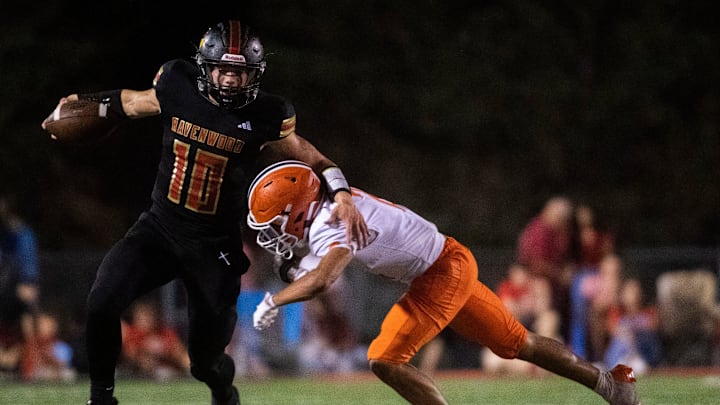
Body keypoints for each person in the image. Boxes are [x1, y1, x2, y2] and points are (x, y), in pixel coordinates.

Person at [42, 20, 368, 405]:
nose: (230, 80)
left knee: (205, 360)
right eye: (223, 70)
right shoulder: (176, 84)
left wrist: (342, 194)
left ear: (254, 74)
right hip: (160, 228)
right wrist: (82, 104)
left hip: (215, 246)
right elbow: (130, 103)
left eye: (240, 71)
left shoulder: (267, 115)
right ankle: (101, 399)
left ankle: (223, 392)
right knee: (102, 301)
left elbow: (312, 157)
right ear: (206, 67)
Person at [247, 160, 640, 405]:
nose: (273, 234)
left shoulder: (330, 223)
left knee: (384, 358)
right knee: (521, 343)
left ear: (295, 210)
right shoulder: (333, 207)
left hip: (439, 273)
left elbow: (324, 277)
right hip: (448, 261)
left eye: (275, 223)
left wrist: (274, 301)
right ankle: (610, 384)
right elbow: (315, 267)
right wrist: (293, 273)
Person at [516, 196, 576, 341]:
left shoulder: (557, 232)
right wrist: (560, 275)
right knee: (547, 312)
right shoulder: (540, 230)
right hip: (538, 283)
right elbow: (536, 264)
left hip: (550, 285)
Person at [0, 193, 39, 379]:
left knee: (27, 308)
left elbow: (28, 261)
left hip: (14, 289)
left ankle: (29, 365)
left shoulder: (20, 232)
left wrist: (28, 282)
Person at [120, 300, 190, 381]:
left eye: (148, 316)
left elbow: (178, 351)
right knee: (146, 361)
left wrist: (165, 353)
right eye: (142, 317)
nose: (146, 320)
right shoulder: (134, 334)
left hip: (169, 369)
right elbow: (131, 355)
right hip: (143, 373)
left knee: (186, 358)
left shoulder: (164, 332)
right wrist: (147, 352)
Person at [604, 278, 662, 375]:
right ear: (622, 294)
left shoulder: (648, 312)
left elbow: (653, 326)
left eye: (636, 291)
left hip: (641, 356)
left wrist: (636, 329)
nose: (634, 295)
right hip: (619, 356)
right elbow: (612, 328)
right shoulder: (617, 313)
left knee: (640, 368)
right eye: (630, 291)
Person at [21, 312, 76, 382]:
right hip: (36, 375)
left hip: (55, 372)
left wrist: (50, 359)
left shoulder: (59, 344)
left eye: (48, 324)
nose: (44, 327)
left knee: (69, 374)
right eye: (42, 324)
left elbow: (63, 364)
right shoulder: (31, 342)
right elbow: (29, 367)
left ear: (55, 327)